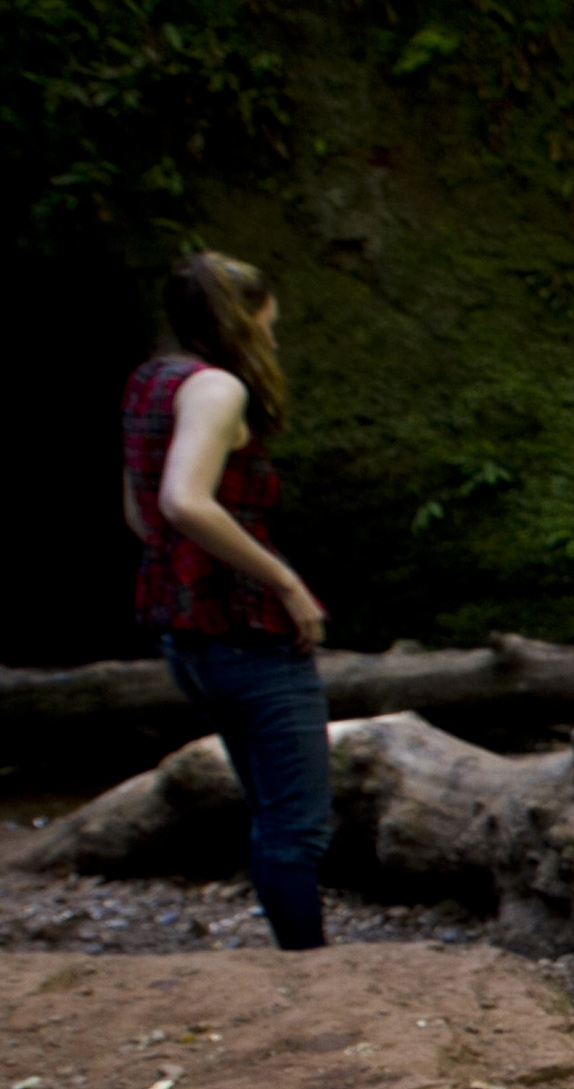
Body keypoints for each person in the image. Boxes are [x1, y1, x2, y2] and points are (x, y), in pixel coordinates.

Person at [120, 253, 334, 950]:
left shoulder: (153, 381)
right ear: (240, 320)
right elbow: (182, 502)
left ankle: (297, 962)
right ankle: (311, 975)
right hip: (245, 634)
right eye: (266, 326)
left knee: (272, 814)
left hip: (189, 638)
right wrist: (286, 582)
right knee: (296, 825)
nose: (271, 341)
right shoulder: (215, 390)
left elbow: (139, 511)